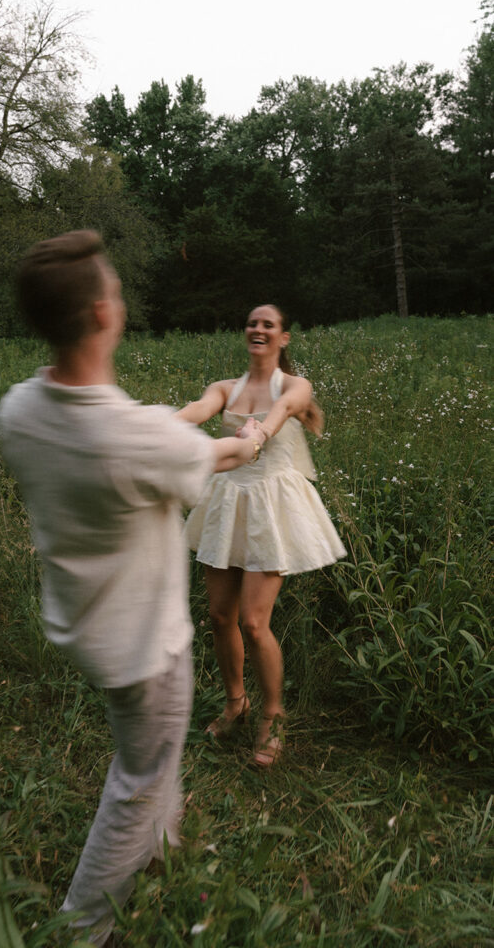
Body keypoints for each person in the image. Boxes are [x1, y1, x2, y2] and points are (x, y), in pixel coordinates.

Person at [0, 231, 266, 947]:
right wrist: (255, 431)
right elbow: (220, 452)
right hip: (145, 646)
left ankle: (164, 852)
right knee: (138, 776)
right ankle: (82, 929)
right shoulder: (132, 437)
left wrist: (198, 415)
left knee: (153, 753)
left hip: (87, 628)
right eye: (114, 291)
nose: (120, 300)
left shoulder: (19, 410)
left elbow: (146, 443)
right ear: (100, 316)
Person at [177, 304, 346, 767]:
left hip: (272, 505)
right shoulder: (225, 388)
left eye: (268, 324)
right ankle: (236, 703)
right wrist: (155, 429)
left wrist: (258, 435)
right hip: (228, 501)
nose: (258, 328)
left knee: (253, 622)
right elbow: (197, 410)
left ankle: (272, 717)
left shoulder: (294, 386)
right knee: (218, 615)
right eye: (252, 322)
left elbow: (283, 412)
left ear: (283, 337)